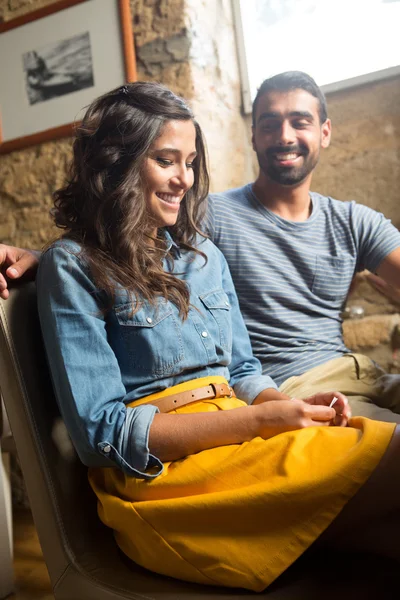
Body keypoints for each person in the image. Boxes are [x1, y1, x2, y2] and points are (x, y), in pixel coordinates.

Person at [21, 80, 400, 592]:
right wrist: (261, 420)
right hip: (168, 483)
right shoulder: (72, 265)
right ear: (117, 163)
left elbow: (241, 371)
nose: (184, 178)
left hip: (237, 438)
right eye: (166, 160)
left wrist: (286, 410)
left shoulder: (203, 257)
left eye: (191, 161)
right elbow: (102, 433)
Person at [1, 71, 400, 421]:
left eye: (300, 122)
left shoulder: (353, 221)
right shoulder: (209, 217)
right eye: (270, 123)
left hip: (353, 373)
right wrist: (46, 259)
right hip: (288, 384)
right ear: (253, 135)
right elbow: (116, 242)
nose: (284, 136)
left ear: (325, 132)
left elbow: (241, 369)